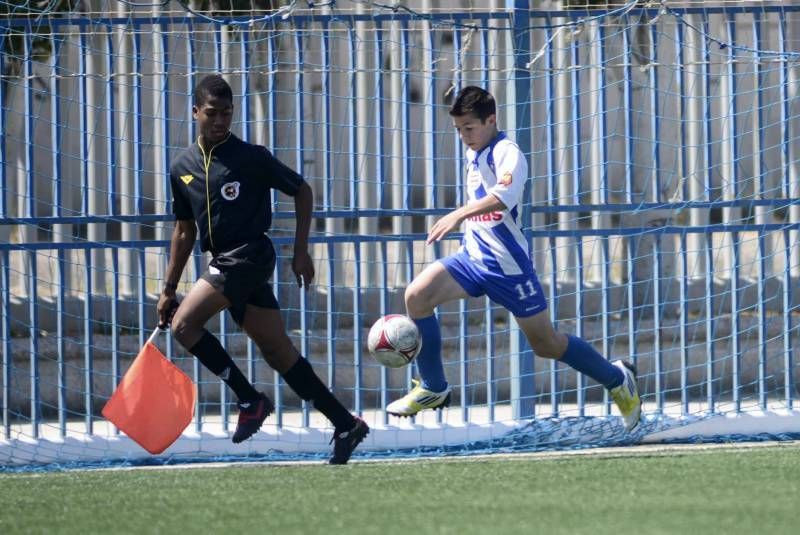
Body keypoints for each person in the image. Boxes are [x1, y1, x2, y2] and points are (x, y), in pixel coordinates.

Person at [386, 86, 642, 432]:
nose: (464, 137)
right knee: (417, 296)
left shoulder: (508, 153)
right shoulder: (474, 151)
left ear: (491, 120)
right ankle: (433, 386)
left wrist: (459, 215)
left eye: (470, 128)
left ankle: (617, 378)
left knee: (546, 344)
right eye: (458, 129)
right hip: (473, 259)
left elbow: (503, 197)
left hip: (509, 269)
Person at [157, 74, 369, 464]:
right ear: (195, 112)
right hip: (223, 263)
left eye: (227, 113)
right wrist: (169, 287)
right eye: (211, 113)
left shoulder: (251, 156)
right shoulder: (181, 166)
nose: (220, 121)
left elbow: (301, 190)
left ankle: (249, 399)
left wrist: (302, 252)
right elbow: (184, 230)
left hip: (249, 256)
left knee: (184, 326)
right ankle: (345, 423)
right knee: (277, 351)